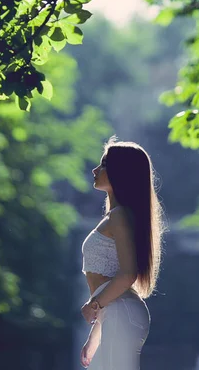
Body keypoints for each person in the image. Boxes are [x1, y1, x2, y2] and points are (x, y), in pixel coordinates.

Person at [80, 136, 166, 369]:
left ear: (122, 172)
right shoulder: (117, 216)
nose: (95, 169)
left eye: (104, 164)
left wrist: (93, 305)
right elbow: (111, 283)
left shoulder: (119, 216)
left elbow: (128, 274)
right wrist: (95, 335)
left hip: (121, 315)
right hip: (118, 315)